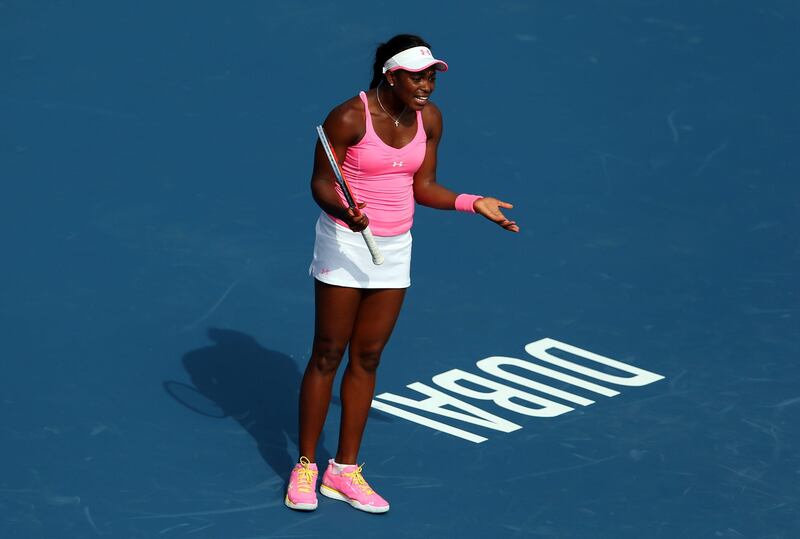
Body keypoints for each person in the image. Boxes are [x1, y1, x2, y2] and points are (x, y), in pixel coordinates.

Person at [285, 34, 519, 514]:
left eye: (432, 75)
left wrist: (474, 203)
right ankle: (307, 464)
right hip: (345, 242)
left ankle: (344, 471)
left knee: (367, 357)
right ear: (391, 76)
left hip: (394, 248)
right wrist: (345, 210)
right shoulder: (349, 117)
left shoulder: (429, 119)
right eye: (417, 76)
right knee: (329, 353)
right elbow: (321, 182)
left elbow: (424, 187)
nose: (427, 85)